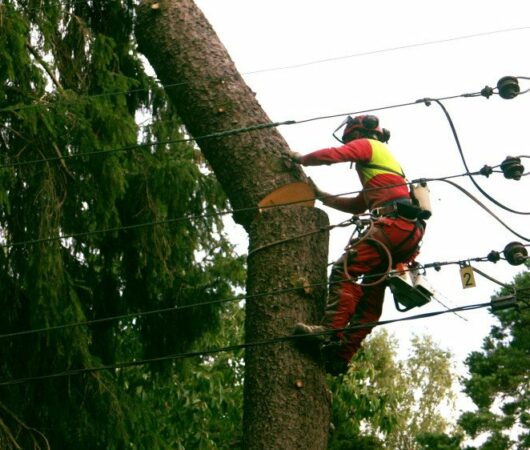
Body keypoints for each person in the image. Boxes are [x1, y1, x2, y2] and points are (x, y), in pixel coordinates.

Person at [290, 114, 426, 375]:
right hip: (408, 233)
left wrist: (301, 159)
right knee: (371, 298)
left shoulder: (370, 146)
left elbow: (334, 155)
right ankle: (340, 356)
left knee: (346, 270)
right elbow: (357, 205)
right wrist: (322, 196)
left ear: (358, 133)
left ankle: (329, 332)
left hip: (393, 226)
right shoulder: (384, 169)